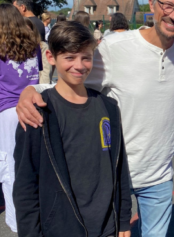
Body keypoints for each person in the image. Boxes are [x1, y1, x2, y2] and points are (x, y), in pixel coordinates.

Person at [16, 0, 174, 237]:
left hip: (158, 175)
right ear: (152, 4)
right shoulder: (115, 48)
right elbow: (73, 82)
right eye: (168, 5)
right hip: (112, 173)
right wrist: (33, 90)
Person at [13, 21, 132, 237]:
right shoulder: (38, 112)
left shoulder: (108, 108)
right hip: (61, 227)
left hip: (106, 226)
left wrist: (123, 220)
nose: (79, 65)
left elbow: (120, 168)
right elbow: (25, 184)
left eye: (86, 57)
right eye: (69, 58)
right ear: (51, 58)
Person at [0, 3, 41, 233]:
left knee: (10, 166)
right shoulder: (33, 45)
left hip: (8, 111)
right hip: (35, 106)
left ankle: (17, 221)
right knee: (34, 162)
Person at [24, 18, 51, 84]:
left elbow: (46, 71)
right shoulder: (14, 48)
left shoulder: (42, 46)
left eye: (29, 30)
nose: (26, 33)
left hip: (37, 86)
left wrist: (42, 89)